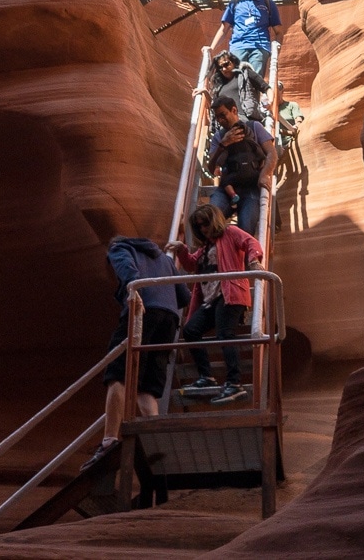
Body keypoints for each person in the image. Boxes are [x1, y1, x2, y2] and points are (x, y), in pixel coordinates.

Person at [80, 236, 188, 470]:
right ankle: (159, 444)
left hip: (142, 308)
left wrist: (132, 288)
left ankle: (109, 440)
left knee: (118, 373)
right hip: (169, 319)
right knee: (148, 387)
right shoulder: (164, 258)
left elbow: (126, 268)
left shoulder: (119, 247)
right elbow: (185, 295)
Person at [168, 204, 264, 405]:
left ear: (214, 220)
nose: (203, 229)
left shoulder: (230, 232)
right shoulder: (206, 248)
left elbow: (250, 242)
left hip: (230, 294)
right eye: (199, 226)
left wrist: (254, 261)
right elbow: (192, 264)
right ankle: (206, 377)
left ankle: (234, 383)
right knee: (192, 330)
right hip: (211, 299)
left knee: (224, 334)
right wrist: (182, 250)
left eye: (205, 223)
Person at [208, 96, 277, 236]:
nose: (220, 120)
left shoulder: (253, 127)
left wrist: (264, 175)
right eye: (217, 117)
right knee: (210, 218)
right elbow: (211, 168)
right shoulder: (218, 136)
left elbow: (271, 153)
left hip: (251, 186)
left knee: (245, 229)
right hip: (228, 187)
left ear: (234, 110)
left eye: (223, 115)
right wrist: (223, 145)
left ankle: (243, 256)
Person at [209, 0, 283, 77]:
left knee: (255, 79)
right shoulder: (235, 3)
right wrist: (211, 48)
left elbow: (279, 32)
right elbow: (223, 29)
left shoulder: (268, 4)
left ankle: (254, 93)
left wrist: (276, 52)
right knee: (236, 79)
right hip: (238, 46)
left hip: (260, 47)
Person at [196, 50, 273, 128]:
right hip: (226, 125)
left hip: (246, 120)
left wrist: (271, 101)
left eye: (226, 64)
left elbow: (266, 88)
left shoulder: (245, 74)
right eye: (220, 67)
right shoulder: (219, 86)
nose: (224, 69)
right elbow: (215, 106)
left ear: (233, 62)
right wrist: (205, 93)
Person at [277, 81, 304, 153]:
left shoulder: (292, 105)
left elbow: (298, 121)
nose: (276, 92)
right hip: (274, 144)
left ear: (282, 91)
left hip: (290, 142)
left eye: (279, 89)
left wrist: (297, 126)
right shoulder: (266, 110)